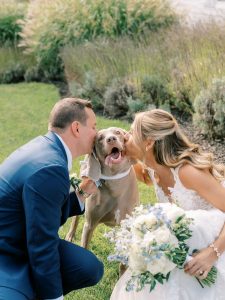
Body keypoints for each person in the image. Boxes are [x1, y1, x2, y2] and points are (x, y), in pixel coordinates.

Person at [111, 109, 225, 300]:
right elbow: (132, 164)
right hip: (186, 246)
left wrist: (212, 253)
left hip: (216, 242)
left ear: (149, 142)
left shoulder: (187, 172)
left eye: (131, 133)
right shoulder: (151, 169)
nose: (125, 137)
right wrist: (123, 153)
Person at [0, 98, 104, 300]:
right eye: (93, 127)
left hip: (22, 236)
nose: (97, 133)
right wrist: (54, 297)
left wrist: (81, 193)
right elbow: (42, 243)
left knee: (88, 267)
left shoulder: (45, 147)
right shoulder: (52, 167)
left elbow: (42, 213)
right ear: (76, 128)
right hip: (8, 250)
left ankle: (33, 286)